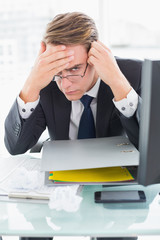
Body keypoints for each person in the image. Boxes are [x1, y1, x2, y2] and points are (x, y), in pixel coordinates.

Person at [4, 12, 141, 240]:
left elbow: (150, 146)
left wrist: (118, 83)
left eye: (75, 68)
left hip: (114, 184)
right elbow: (16, 146)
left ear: (95, 55)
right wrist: (31, 85)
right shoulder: (46, 79)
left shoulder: (131, 74)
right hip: (58, 184)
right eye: (59, 72)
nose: (65, 83)